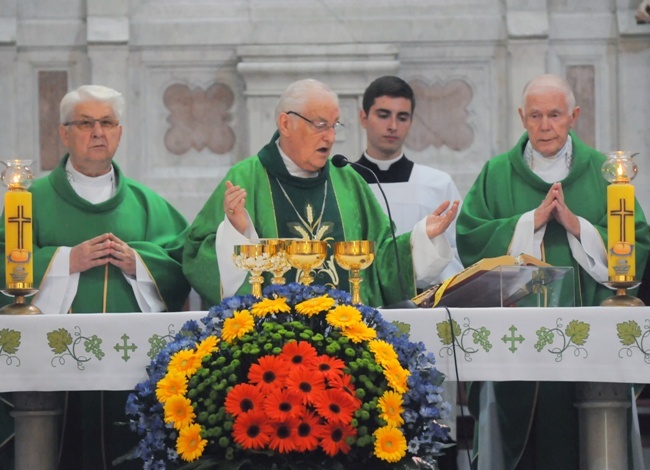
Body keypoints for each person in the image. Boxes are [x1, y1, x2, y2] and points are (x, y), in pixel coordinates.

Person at [456, 74, 650, 469]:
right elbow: (470, 241)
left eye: (555, 115)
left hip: (591, 349)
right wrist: (531, 221)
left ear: (574, 116)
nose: (545, 126)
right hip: (516, 347)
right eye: (535, 115)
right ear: (521, 117)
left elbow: (638, 244)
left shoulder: (606, 172)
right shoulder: (496, 174)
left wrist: (577, 225)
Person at [0, 85, 190, 469]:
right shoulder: (29, 202)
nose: (97, 132)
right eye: (85, 123)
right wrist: (65, 260)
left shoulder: (147, 204)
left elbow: (180, 262)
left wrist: (138, 262)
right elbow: (6, 259)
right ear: (64, 133)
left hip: (131, 367)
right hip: (51, 373)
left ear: (119, 132)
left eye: (107, 122)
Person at [183, 78, 460, 309]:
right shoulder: (246, 179)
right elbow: (197, 254)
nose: (330, 137)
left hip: (348, 340)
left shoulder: (348, 180)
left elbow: (382, 258)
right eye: (320, 125)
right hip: (271, 345)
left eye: (334, 125)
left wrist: (422, 238)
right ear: (286, 124)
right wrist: (237, 233)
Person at [354, 75, 463, 284]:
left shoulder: (437, 184)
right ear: (363, 118)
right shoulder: (343, 182)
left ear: (411, 122)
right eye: (383, 115)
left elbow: (455, 255)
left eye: (402, 117)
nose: (393, 126)